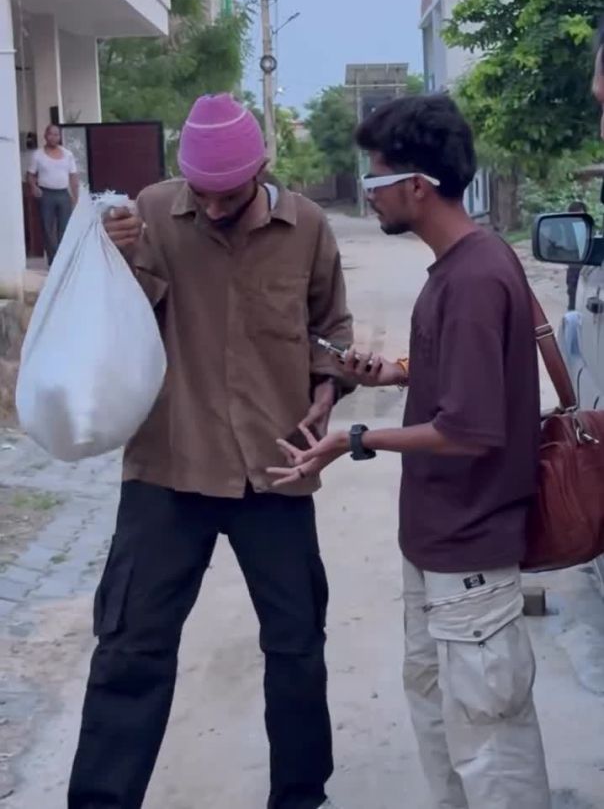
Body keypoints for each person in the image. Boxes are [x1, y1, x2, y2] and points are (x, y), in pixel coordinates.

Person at [68, 93, 353, 809]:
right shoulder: (149, 214)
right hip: (170, 462)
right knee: (129, 647)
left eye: (229, 194)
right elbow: (113, 319)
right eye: (203, 193)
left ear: (262, 169)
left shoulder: (307, 227)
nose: (215, 206)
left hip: (277, 467)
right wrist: (112, 253)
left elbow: (332, 327)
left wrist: (328, 385)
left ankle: (300, 798)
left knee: (296, 646)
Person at [271, 94, 551, 809]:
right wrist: (396, 374)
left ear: (418, 186)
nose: (369, 193)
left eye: (376, 178)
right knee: (444, 726)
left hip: (470, 554)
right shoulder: (457, 268)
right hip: (436, 548)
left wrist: (353, 439)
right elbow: (461, 381)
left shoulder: (476, 277)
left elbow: (470, 429)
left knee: (491, 749)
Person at [26, 124, 79, 266]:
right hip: (46, 194)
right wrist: (33, 187)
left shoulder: (67, 154)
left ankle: (63, 259)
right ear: (45, 136)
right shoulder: (38, 155)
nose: (54, 137)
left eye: (56, 134)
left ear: (60, 137)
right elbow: (30, 175)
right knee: (47, 228)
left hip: (63, 194)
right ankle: (53, 259)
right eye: (51, 134)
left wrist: (75, 197)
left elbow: (73, 177)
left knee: (64, 228)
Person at [566, 200, 587, 311]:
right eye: (575, 216)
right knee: (573, 297)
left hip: (586, 267)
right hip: (574, 268)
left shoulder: (588, 227)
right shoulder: (567, 229)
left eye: (581, 215)